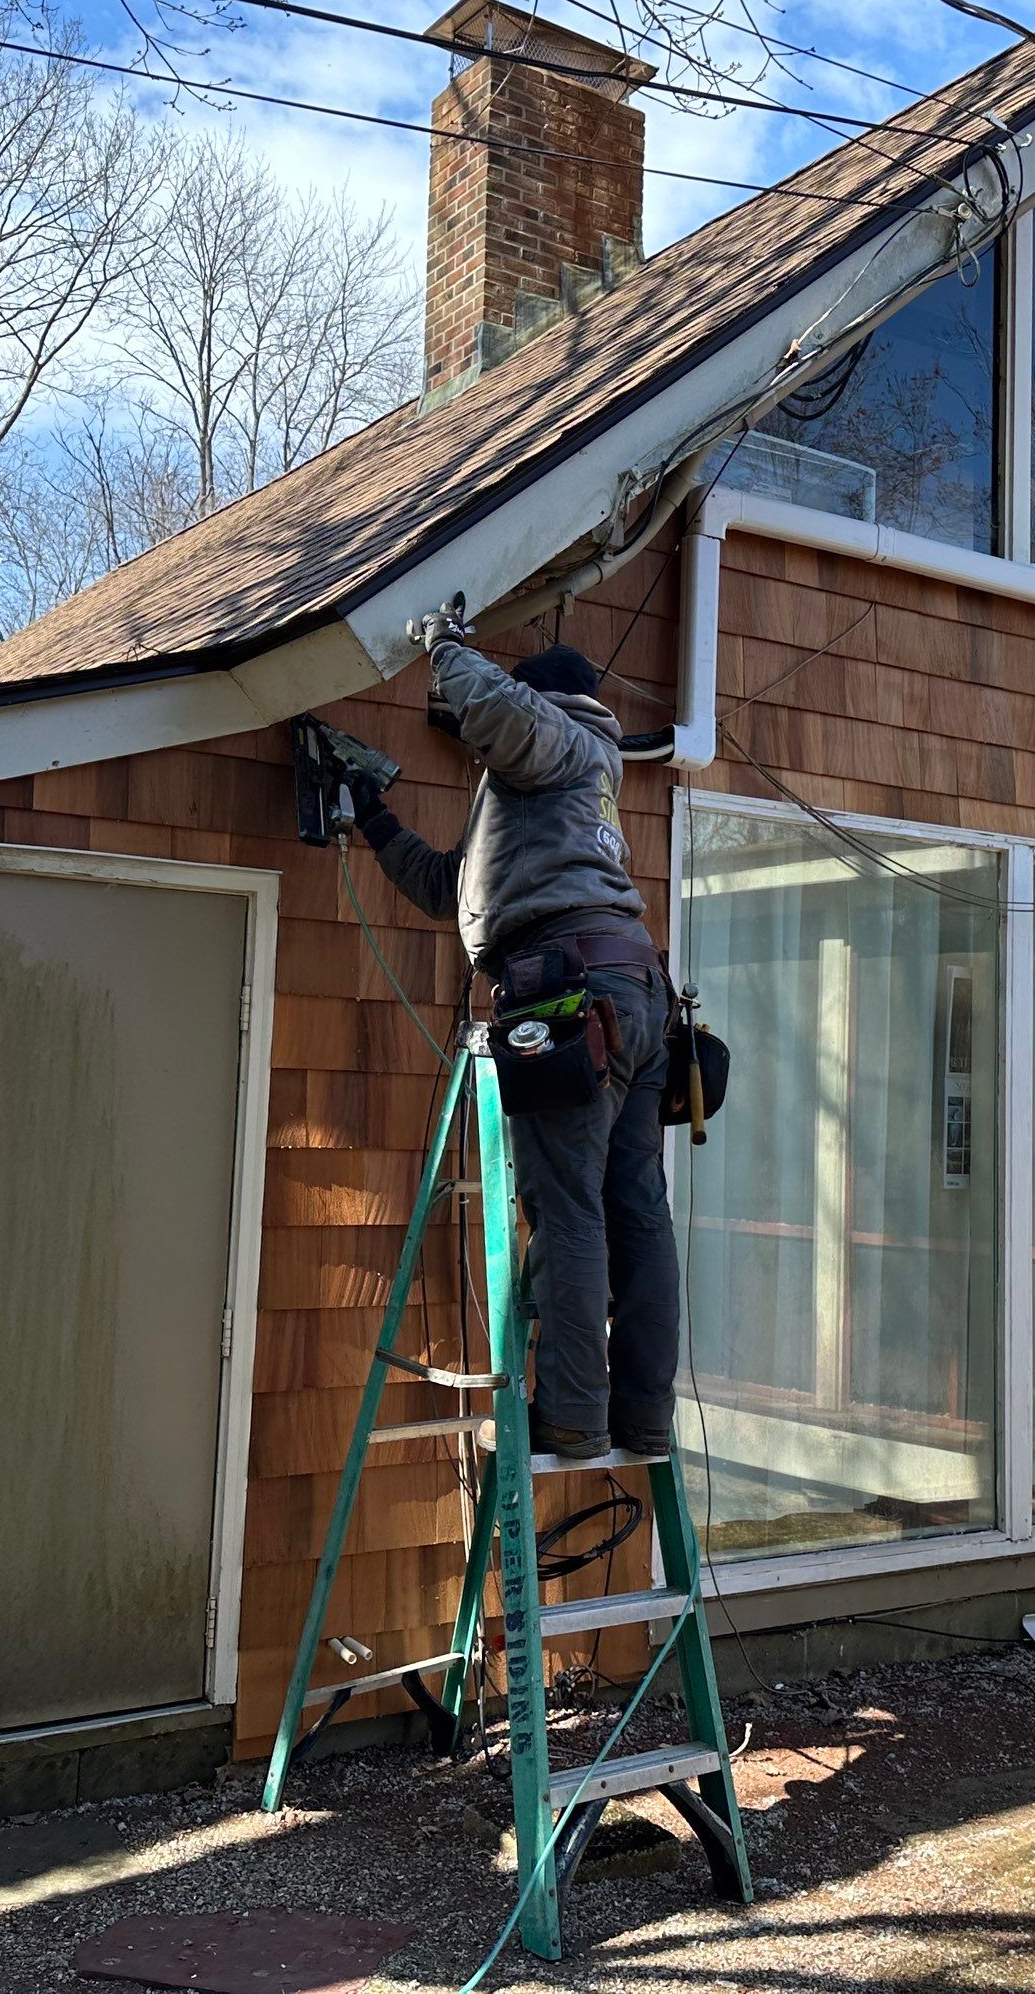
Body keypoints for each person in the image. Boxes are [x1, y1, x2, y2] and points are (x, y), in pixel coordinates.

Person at [351, 603, 677, 1463]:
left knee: (567, 1210)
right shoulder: (558, 798)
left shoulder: (564, 741)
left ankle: (572, 1415)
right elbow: (457, 888)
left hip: (575, 993)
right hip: (633, 990)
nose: (478, 739)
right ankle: (642, 1416)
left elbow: (498, 712)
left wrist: (443, 643)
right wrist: (373, 819)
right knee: (634, 1210)